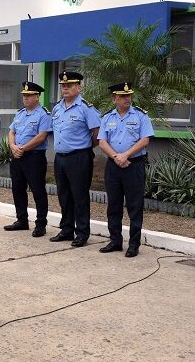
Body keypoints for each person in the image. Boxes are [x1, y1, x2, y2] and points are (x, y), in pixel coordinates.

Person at [97, 83, 154, 257]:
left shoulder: (140, 116)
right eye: (122, 96)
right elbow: (102, 141)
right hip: (113, 166)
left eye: (128, 95)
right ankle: (115, 241)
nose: (127, 98)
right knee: (113, 205)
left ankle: (134, 244)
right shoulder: (107, 118)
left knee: (134, 206)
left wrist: (126, 155)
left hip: (134, 165)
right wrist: (116, 157)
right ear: (114, 98)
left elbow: (145, 140)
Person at [49, 71, 101, 247]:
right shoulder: (57, 107)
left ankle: (82, 233)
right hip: (60, 158)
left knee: (79, 196)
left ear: (78, 87)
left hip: (79, 157)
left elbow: (97, 134)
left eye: (69, 85)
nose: (65, 88)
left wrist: (83, 147)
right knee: (64, 195)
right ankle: (67, 229)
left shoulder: (86, 108)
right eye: (63, 86)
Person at [4, 81, 52, 237]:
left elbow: (42, 136)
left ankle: (41, 224)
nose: (25, 98)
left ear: (37, 97)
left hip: (34, 157)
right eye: (24, 95)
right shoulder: (20, 113)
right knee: (17, 189)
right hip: (17, 156)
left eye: (29, 95)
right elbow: (11, 131)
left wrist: (22, 148)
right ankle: (22, 220)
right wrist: (12, 146)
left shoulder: (43, 114)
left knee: (38, 190)